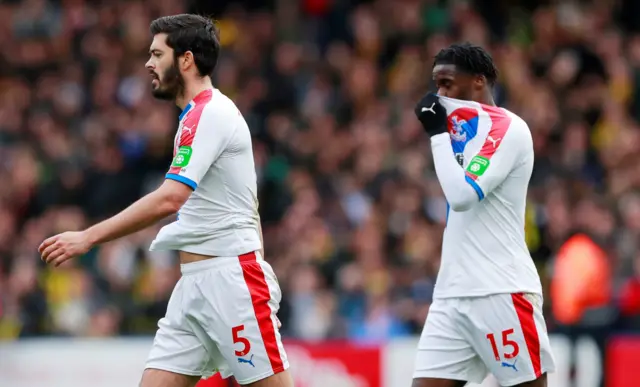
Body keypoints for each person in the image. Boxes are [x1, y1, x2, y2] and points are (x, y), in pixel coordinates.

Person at [39, 14, 292, 387]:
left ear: (186, 60)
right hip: (194, 285)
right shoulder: (194, 117)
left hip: (231, 284)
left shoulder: (210, 114)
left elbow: (170, 199)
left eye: (157, 54)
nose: (148, 64)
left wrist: (88, 236)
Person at [411, 43, 556, 387]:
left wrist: (436, 136)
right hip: (451, 295)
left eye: (447, 83)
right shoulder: (460, 132)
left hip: (501, 290)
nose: (440, 94)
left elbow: (461, 196)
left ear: (478, 81)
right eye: (436, 85)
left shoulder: (509, 129)